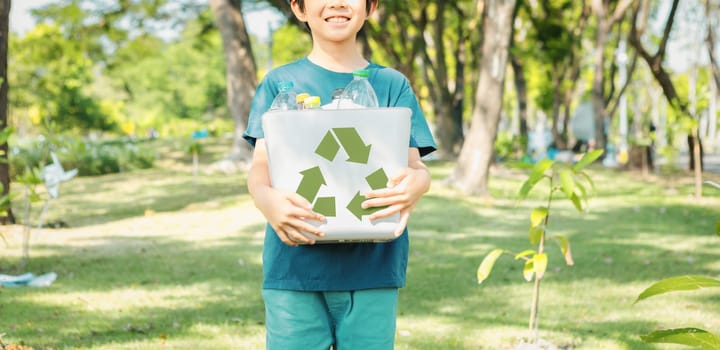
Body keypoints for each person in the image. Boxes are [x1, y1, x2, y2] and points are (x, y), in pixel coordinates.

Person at [243, 0, 437, 349]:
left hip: (373, 267)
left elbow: (416, 168)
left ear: (370, 6)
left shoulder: (391, 85)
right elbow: (261, 167)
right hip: (294, 266)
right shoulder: (279, 84)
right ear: (299, 9)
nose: (336, 3)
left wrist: (417, 186)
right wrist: (265, 199)